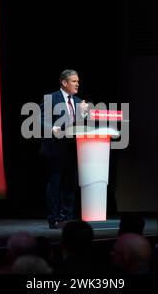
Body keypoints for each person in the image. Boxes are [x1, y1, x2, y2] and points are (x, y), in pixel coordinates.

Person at [40, 69, 89, 229]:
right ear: (64, 82)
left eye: (78, 81)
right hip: (55, 148)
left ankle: (65, 218)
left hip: (72, 148)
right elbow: (39, 120)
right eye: (74, 81)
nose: (77, 84)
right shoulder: (51, 98)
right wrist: (51, 128)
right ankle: (53, 219)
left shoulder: (79, 101)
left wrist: (84, 114)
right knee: (55, 184)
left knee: (70, 185)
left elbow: (81, 126)